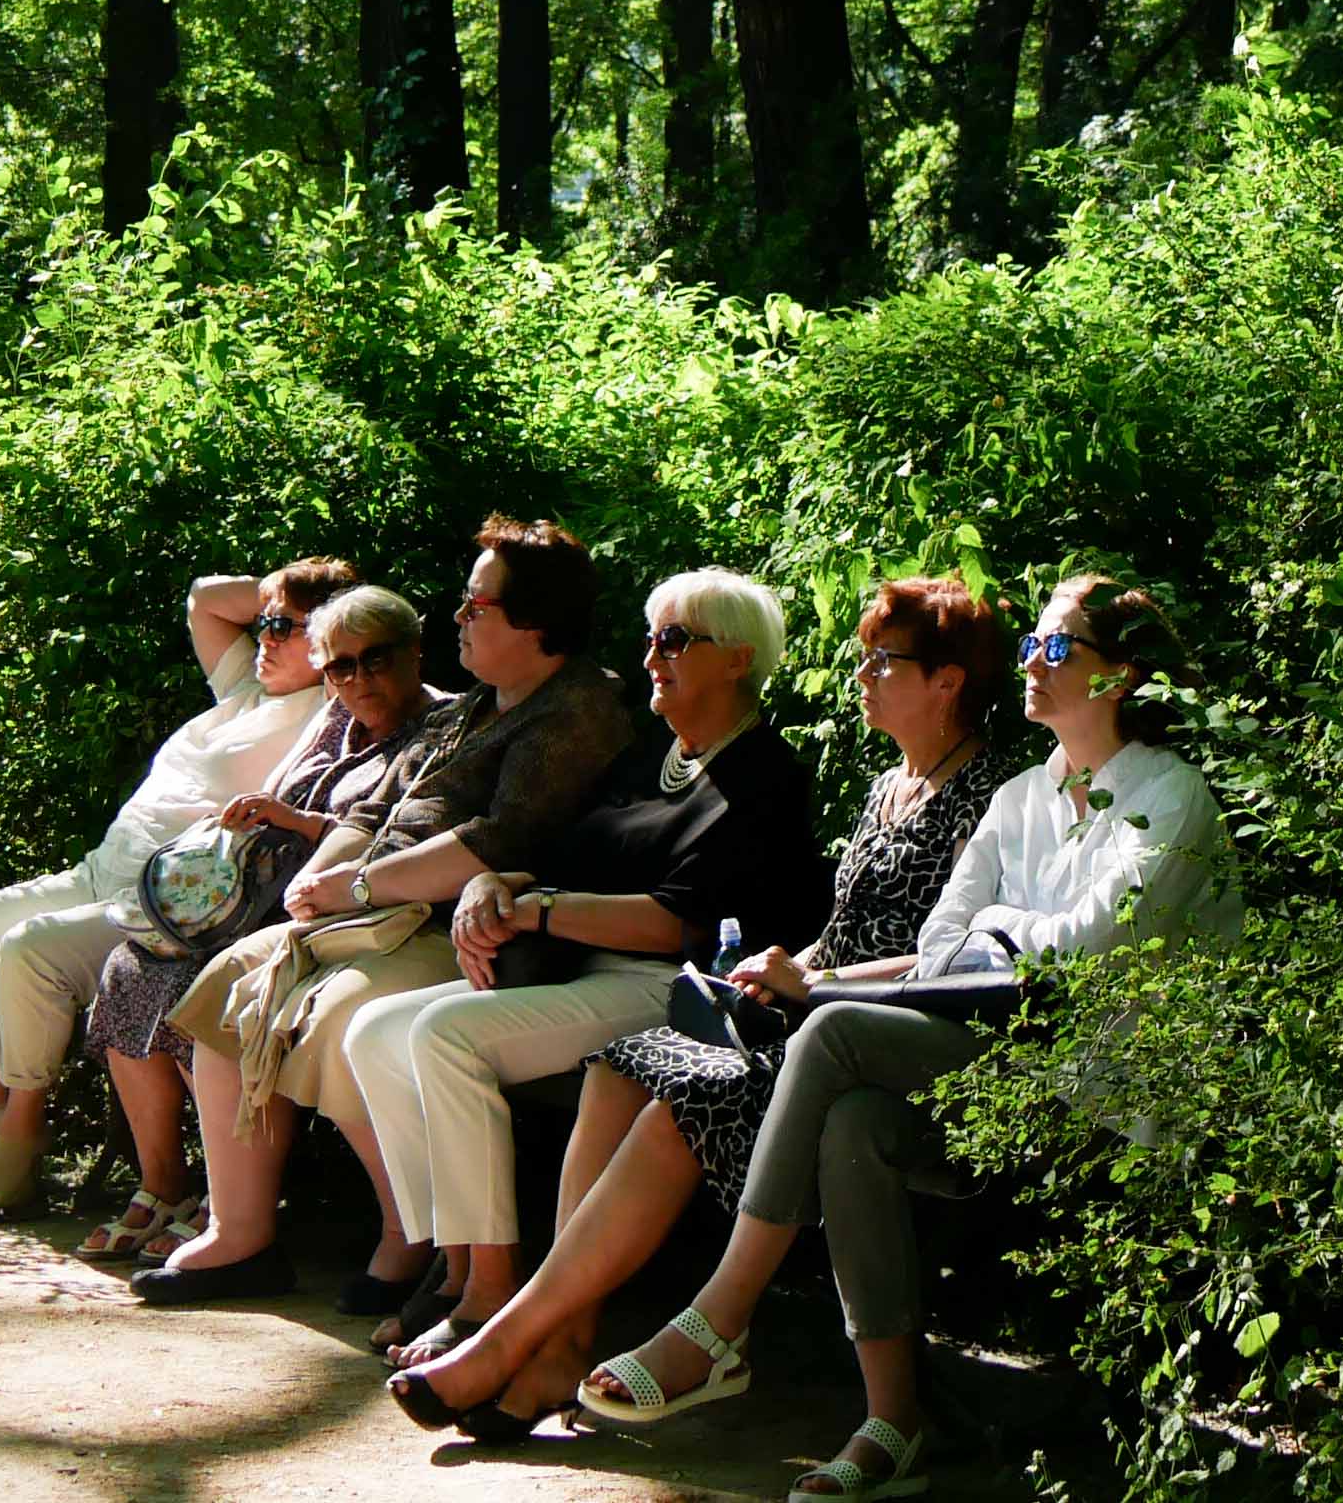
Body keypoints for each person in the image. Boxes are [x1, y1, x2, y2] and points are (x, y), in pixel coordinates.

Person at [565, 576, 1233, 1502]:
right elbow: (936, 947)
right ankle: (892, 1425)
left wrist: (998, 929)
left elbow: (1093, 950)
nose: (1035, 666)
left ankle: (719, 1321)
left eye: (1058, 650)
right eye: (1032, 646)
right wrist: (1013, 937)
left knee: (833, 1031)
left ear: (1120, 677)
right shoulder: (1021, 802)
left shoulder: (1173, 798)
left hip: (1102, 1106)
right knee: (857, 1126)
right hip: (993, 1069)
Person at [390, 574, 1012, 1439]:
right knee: (627, 1062)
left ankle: (512, 1339)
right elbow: (842, 931)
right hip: (810, 1015)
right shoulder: (886, 787)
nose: (862, 674)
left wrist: (817, 983)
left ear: (947, 681)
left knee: (688, 1094)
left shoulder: (989, 796)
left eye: (884, 660)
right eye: (864, 656)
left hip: (883, 1038)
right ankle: (560, 1341)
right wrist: (787, 964)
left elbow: (957, 957)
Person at [134, 514, 634, 1307]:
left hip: (469, 933)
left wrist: (355, 890)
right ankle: (241, 1232)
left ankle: (413, 1234)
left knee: (337, 1014)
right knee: (230, 982)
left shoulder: (578, 710)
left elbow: (495, 844)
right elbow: (373, 817)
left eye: (478, 607)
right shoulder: (480, 705)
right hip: (381, 914)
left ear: (534, 622)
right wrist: (314, 895)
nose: (461, 616)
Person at [340, 568, 829, 1371]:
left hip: (666, 986)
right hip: (581, 969)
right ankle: (457, 1263)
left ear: (738, 659)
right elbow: (566, 859)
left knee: (442, 1035)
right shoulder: (650, 756)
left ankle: (491, 1289)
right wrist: (495, 886)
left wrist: (536, 911)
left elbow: (677, 920)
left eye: (674, 639)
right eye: (649, 638)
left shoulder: (763, 776)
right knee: (372, 1030)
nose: (651, 656)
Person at [0, 558, 353, 1224]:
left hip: (162, 904)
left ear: (327, 640)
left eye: (282, 628)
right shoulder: (246, 685)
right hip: (99, 872)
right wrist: (278, 599)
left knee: (30, 951)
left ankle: (24, 1137)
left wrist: (326, 615)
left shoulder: (325, 711)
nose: (263, 636)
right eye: (261, 622)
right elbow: (205, 597)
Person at [70, 582, 438, 1261]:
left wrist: (295, 823)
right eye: (341, 667)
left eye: (374, 660)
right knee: (130, 965)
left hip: (356, 912)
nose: (357, 679)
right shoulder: (333, 718)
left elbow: (395, 840)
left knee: (206, 985)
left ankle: (232, 1201)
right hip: (274, 895)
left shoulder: (435, 727)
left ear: (415, 653)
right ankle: (166, 1185)